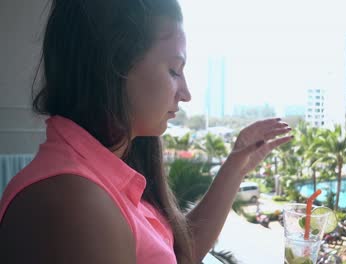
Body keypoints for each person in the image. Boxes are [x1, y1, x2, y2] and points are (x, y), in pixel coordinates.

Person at [0, 1, 292, 264]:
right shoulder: (75, 205)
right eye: (174, 71)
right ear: (114, 65)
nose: (186, 93)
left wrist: (236, 166)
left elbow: (178, 255)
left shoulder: (107, 172)